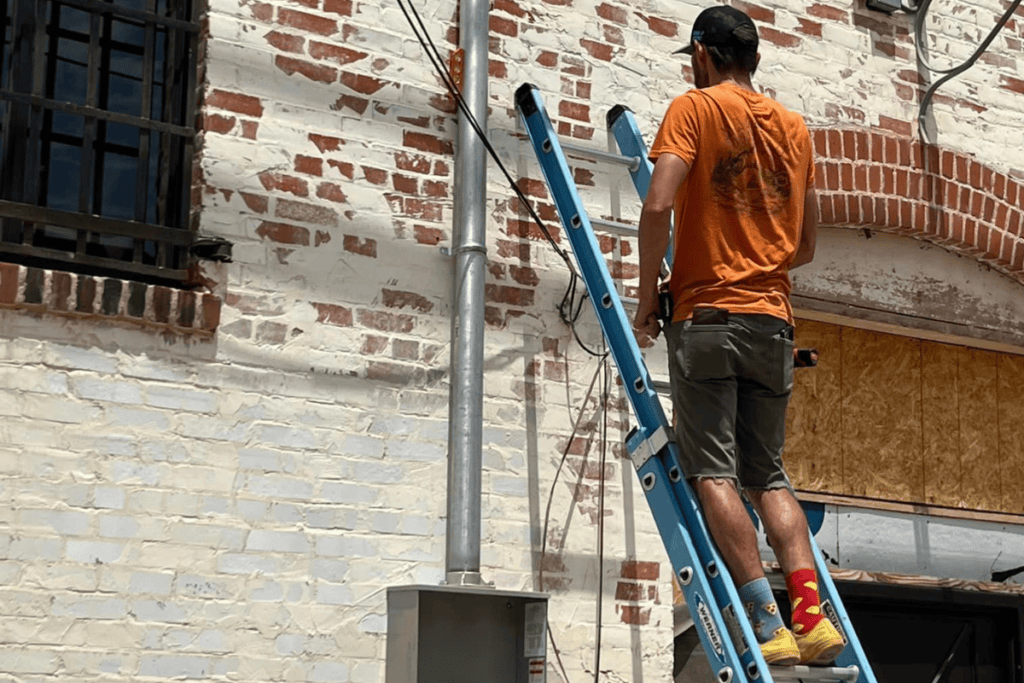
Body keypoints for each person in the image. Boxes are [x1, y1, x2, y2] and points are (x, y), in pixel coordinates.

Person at [632, 5, 844, 668]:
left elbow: (659, 202)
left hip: (707, 315)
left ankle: (764, 617)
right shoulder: (795, 128)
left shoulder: (694, 109)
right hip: (772, 321)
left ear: (703, 51)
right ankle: (811, 618)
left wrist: (648, 295)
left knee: (712, 471)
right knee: (769, 476)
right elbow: (805, 245)